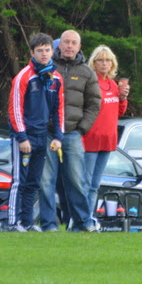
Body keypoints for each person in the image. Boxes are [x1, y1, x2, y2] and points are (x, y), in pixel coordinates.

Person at [38, 29, 101, 232]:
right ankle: (49, 225)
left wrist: (82, 129)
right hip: (47, 132)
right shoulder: (46, 66)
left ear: (79, 47)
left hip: (73, 133)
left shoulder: (86, 72)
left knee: (76, 180)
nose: (69, 46)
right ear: (59, 44)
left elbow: (94, 104)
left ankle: (82, 223)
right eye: (66, 42)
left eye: (74, 43)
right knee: (46, 180)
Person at [7, 33, 63, 232]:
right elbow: (15, 109)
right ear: (32, 52)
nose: (44, 54)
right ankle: (13, 222)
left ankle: (27, 222)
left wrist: (58, 136)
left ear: (52, 51)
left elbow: (59, 110)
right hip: (25, 137)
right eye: (39, 50)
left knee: (33, 182)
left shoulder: (55, 78)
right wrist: (22, 137)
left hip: (42, 137)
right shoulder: (24, 76)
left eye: (47, 50)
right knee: (19, 181)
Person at [83, 45, 128, 214]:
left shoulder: (114, 84)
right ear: (94, 63)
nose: (104, 63)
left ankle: (89, 218)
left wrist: (123, 98)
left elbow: (119, 112)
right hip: (91, 139)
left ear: (113, 64)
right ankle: (81, 219)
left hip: (108, 139)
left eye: (108, 60)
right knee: (86, 183)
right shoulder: (90, 82)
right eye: (100, 60)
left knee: (95, 184)